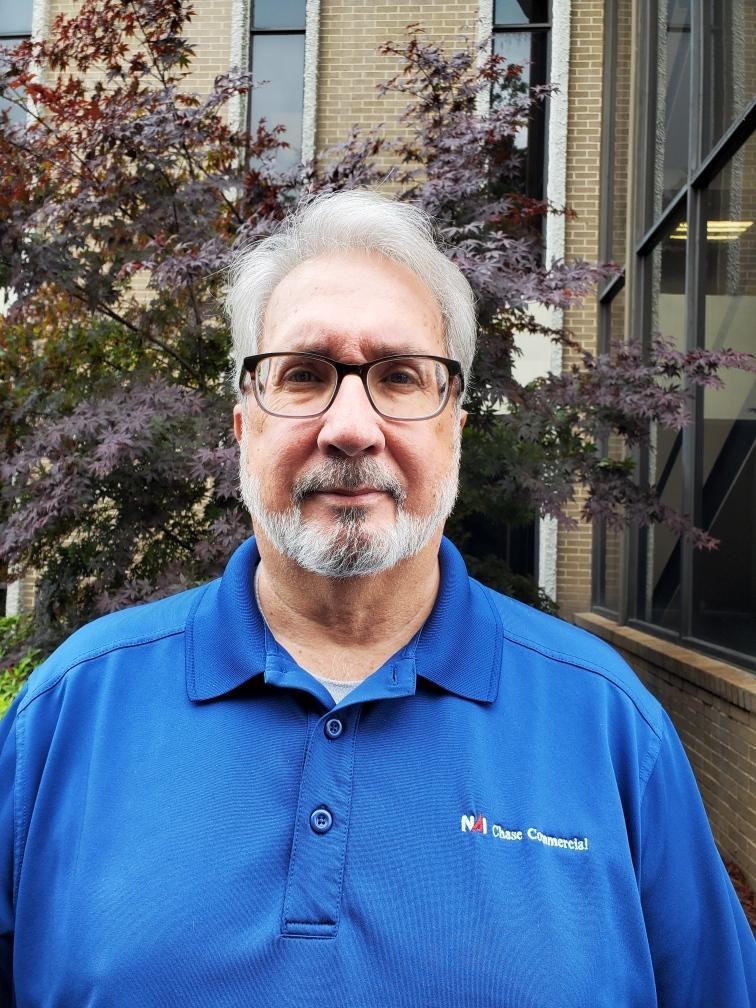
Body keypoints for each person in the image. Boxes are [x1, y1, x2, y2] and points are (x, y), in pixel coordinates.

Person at [0, 190, 753, 1007]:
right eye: (304, 374)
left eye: (399, 377)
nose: (351, 427)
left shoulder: (609, 725)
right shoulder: (74, 708)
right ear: (244, 424)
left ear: (455, 423)